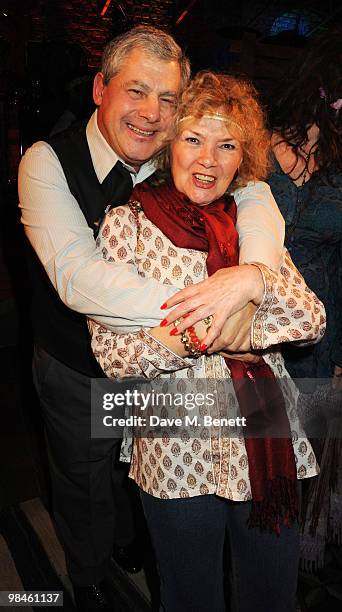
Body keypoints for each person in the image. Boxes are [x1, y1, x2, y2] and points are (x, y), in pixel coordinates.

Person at [19, 25, 284, 609]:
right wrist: (215, 301)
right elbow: (77, 278)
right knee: (86, 483)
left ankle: (136, 547)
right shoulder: (46, 161)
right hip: (79, 366)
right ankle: (88, 579)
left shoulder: (182, 146)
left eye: (168, 99)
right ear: (99, 88)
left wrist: (255, 274)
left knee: (148, 473)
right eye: (136, 91)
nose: (151, 113)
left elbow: (256, 193)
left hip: (168, 367)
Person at [89, 71, 326, 612]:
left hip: (265, 436)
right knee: (189, 598)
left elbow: (310, 317)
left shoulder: (252, 224)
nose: (208, 160)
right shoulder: (127, 227)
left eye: (226, 145)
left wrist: (250, 280)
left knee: (271, 597)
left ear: (242, 156)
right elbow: (115, 356)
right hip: (176, 445)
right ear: (169, 141)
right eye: (193, 139)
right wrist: (220, 332)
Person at [267, 30, 342, 573]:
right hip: (253, 335)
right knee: (257, 459)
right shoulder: (258, 146)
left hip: (316, 341)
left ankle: (289, 573)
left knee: (307, 462)